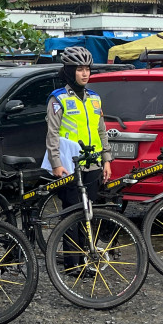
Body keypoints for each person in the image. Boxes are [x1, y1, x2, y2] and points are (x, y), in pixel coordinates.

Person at [44, 46, 113, 271]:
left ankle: (87, 260)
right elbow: (52, 134)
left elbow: (102, 131)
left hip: (92, 164)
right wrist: (56, 164)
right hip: (70, 167)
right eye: (79, 69)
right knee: (72, 216)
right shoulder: (58, 99)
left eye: (87, 69)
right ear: (69, 70)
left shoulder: (95, 99)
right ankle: (73, 265)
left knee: (89, 214)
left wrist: (107, 160)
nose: (85, 74)